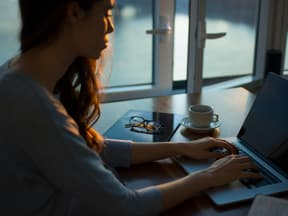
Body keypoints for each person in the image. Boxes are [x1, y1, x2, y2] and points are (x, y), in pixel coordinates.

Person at [0, 0, 261, 215]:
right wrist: (208, 177)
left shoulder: (17, 75)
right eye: (107, 11)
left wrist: (181, 148)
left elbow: (85, 148)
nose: (111, 27)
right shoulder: (34, 106)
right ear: (74, 12)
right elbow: (124, 206)